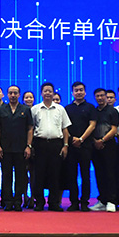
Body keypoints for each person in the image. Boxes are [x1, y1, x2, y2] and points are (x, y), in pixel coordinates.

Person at [30, 82, 71, 212]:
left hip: (56, 144)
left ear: (53, 93)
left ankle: (54, 203)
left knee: (55, 174)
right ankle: (39, 202)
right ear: (41, 93)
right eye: (45, 91)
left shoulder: (60, 109)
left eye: (50, 91)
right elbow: (31, 129)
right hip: (40, 143)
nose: (47, 93)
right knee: (39, 174)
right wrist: (30, 145)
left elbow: (65, 129)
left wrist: (65, 145)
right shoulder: (35, 109)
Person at [0, 85, 33, 212]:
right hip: (5, 148)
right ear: (7, 94)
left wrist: (28, 146)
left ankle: (17, 201)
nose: (13, 95)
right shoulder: (1, 110)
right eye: (10, 93)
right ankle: (8, 201)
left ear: (19, 94)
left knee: (20, 176)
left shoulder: (25, 109)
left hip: (21, 148)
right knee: (6, 176)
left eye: (15, 93)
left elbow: (30, 128)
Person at [62, 81, 97, 211]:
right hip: (71, 146)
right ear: (72, 93)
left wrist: (81, 139)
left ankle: (84, 202)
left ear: (85, 92)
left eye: (81, 90)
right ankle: (74, 202)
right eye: (76, 90)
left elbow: (92, 125)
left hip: (86, 146)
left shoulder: (90, 107)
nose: (79, 92)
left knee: (85, 175)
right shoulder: (67, 108)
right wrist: (72, 139)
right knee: (72, 175)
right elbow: (64, 127)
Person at [89, 88, 119, 212]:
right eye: (97, 96)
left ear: (106, 97)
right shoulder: (93, 111)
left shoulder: (113, 111)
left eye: (102, 95)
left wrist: (102, 140)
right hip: (95, 146)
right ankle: (102, 200)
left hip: (109, 145)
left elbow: (114, 129)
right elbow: (90, 127)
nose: (100, 98)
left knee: (110, 173)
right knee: (99, 174)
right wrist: (95, 141)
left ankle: (112, 201)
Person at [21, 90, 36, 208]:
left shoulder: (37, 111)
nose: (28, 99)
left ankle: (33, 197)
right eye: (26, 97)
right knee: (23, 173)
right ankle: (25, 196)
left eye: (30, 97)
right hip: (22, 145)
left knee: (34, 173)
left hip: (36, 145)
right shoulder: (21, 111)